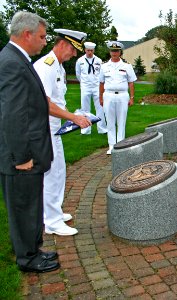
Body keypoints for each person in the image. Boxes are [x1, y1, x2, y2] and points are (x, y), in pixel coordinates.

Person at [0, 11, 59, 273]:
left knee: (31, 205)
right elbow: (12, 115)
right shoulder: (11, 63)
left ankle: (34, 250)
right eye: (42, 37)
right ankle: (27, 258)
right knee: (23, 207)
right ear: (27, 35)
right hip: (22, 157)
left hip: (29, 153)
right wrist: (22, 157)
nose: (44, 42)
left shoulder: (17, 59)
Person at [34, 28, 91, 236]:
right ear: (63, 44)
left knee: (58, 171)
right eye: (73, 50)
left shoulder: (58, 67)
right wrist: (73, 117)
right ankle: (52, 222)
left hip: (54, 125)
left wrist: (71, 114)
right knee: (52, 172)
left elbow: (58, 101)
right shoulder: (46, 67)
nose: (74, 55)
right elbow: (44, 103)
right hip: (45, 125)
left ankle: (53, 212)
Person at [99, 41, 137, 154]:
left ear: (120, 52)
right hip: (109, 95)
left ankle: (120, 145)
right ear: (109, 52)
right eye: (112, 50)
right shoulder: (104, 66)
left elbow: (131, 83)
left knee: (121, 121)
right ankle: (111, 145)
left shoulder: (127, 66)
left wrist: (132, 97)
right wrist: (100, 97)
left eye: (116, 51)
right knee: (109, 121)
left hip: (122, 95)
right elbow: (101, 83)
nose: (114, 53)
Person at [75, 41, 107, 135]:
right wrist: (84, 83)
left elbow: (101, 74)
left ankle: (102, 129)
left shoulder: (98, 60)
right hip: (85, 86)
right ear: (85, 50)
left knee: (100, 108)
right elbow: (78, 74)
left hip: (96, 86)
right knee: (85, 108)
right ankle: (85, 130)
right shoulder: (80, 61)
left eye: (91, 51)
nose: (90, 52)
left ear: (94, 50)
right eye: (88, 50)